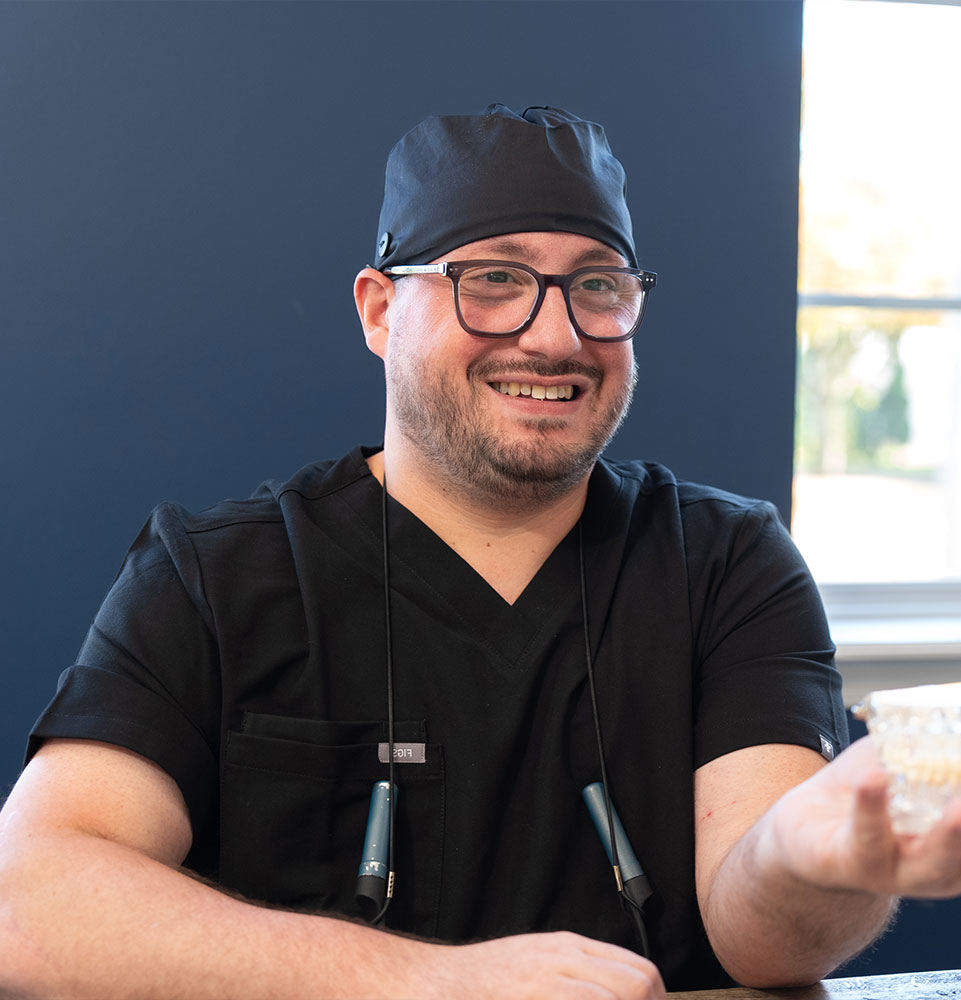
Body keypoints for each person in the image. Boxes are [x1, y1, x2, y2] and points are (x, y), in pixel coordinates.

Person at [1, 105, 959, 1000]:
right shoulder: (216, 577)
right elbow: (28, 908)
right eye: (492, 278)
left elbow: (762, 940)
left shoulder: (724, 563)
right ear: (380, 312)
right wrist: (424, 983)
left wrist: (807, 854)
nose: (556, 335)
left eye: (597, 285)